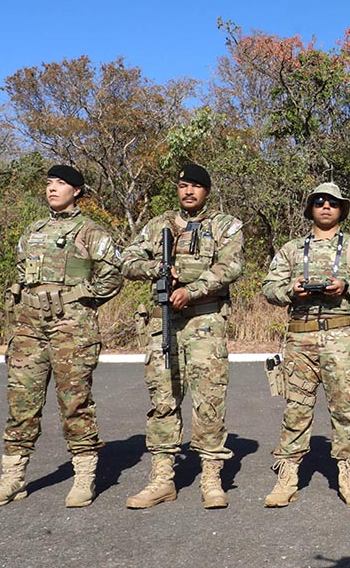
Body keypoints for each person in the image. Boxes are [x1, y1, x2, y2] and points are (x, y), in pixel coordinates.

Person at [0, 164, 122, 508]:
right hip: (29, 327)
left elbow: (113, 276)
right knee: (21, 403)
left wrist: (78, 296)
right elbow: (20, 272)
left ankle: (84, 476)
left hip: (70, 327)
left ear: (77, 190)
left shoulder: (91, 232)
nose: (52, 189)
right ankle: (12, 478)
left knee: (74, 403)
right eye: (49, 183)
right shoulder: (33, 231)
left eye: (61, 183)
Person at [121, 164, 243, 510]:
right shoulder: (158, 225)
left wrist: (192, 290)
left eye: (196, 186)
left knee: (209, 401)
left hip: (205, 323)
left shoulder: (225, 225)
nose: (188, 191)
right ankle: (162, 479)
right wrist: (155, 269)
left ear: (207, 191)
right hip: (164, 322)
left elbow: (230, 267)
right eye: (183, 186)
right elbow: (127, 260)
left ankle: (211, 477)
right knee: (163, 400)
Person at [261, 182, 350, 508]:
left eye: (333, 202)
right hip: (300, 339)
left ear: (342, 209)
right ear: (310, 208)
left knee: (344, 409)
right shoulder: (291, 249)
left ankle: (347, 474)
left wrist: (347, 286)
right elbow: (269, 288)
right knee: (295, 410)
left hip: (341, 337)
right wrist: (292, 290)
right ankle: (287, 476)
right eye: (319, 202)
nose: (326, 206)